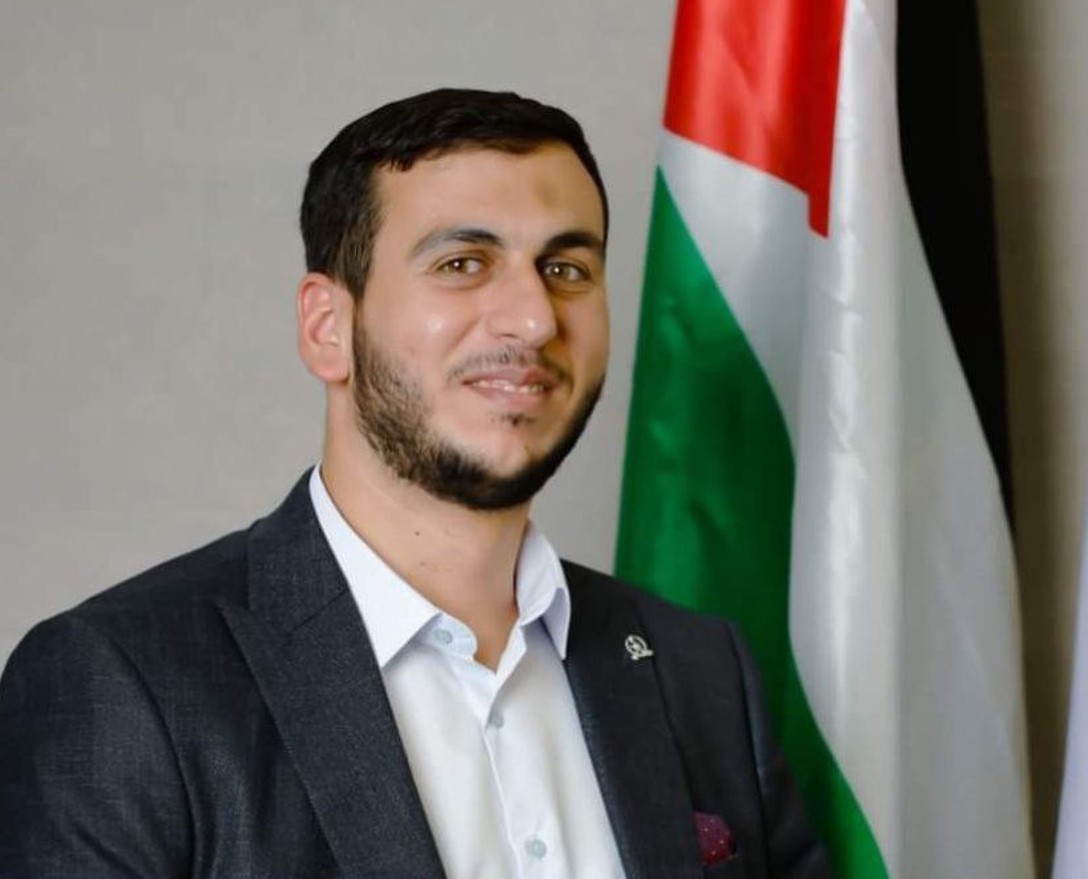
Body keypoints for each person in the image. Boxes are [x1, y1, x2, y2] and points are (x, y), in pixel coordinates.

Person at [0, 88, 828, 879]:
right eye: (463, 262)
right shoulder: (124, 682)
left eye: (567, 268)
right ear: (328, 328)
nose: (534, 318)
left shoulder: (700, 669)